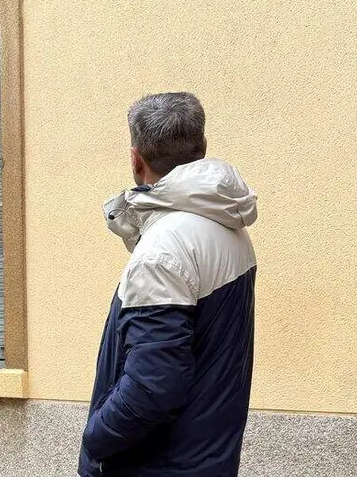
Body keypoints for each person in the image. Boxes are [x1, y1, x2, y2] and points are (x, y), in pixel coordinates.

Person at [78, 92, 258, 476]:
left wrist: (94, 439)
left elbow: (153, 387)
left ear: (135, 158)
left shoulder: (164, 251)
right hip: (207, 460)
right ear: (203, 147)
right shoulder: (227, 228)